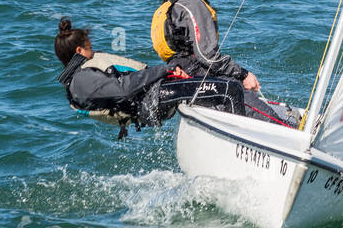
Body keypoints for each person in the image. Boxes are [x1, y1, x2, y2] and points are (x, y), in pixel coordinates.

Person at [54, 18, 246, 138]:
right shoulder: (81, 81)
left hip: (155, 95)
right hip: (150, 101)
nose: (93, 51)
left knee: (219, 88)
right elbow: (124, 89)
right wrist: (164, 70)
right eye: (89, 47)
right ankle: (241, 140)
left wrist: (169, 73)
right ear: (79, 51)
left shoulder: (85, 74)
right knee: (230, 90)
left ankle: (222, 134)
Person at [151, 0, 260, 91]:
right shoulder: (193, 5)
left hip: (177, 74)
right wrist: (243, 74)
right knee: (239, 90)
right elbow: (206, 56)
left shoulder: (166, 8)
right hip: (197, 75)